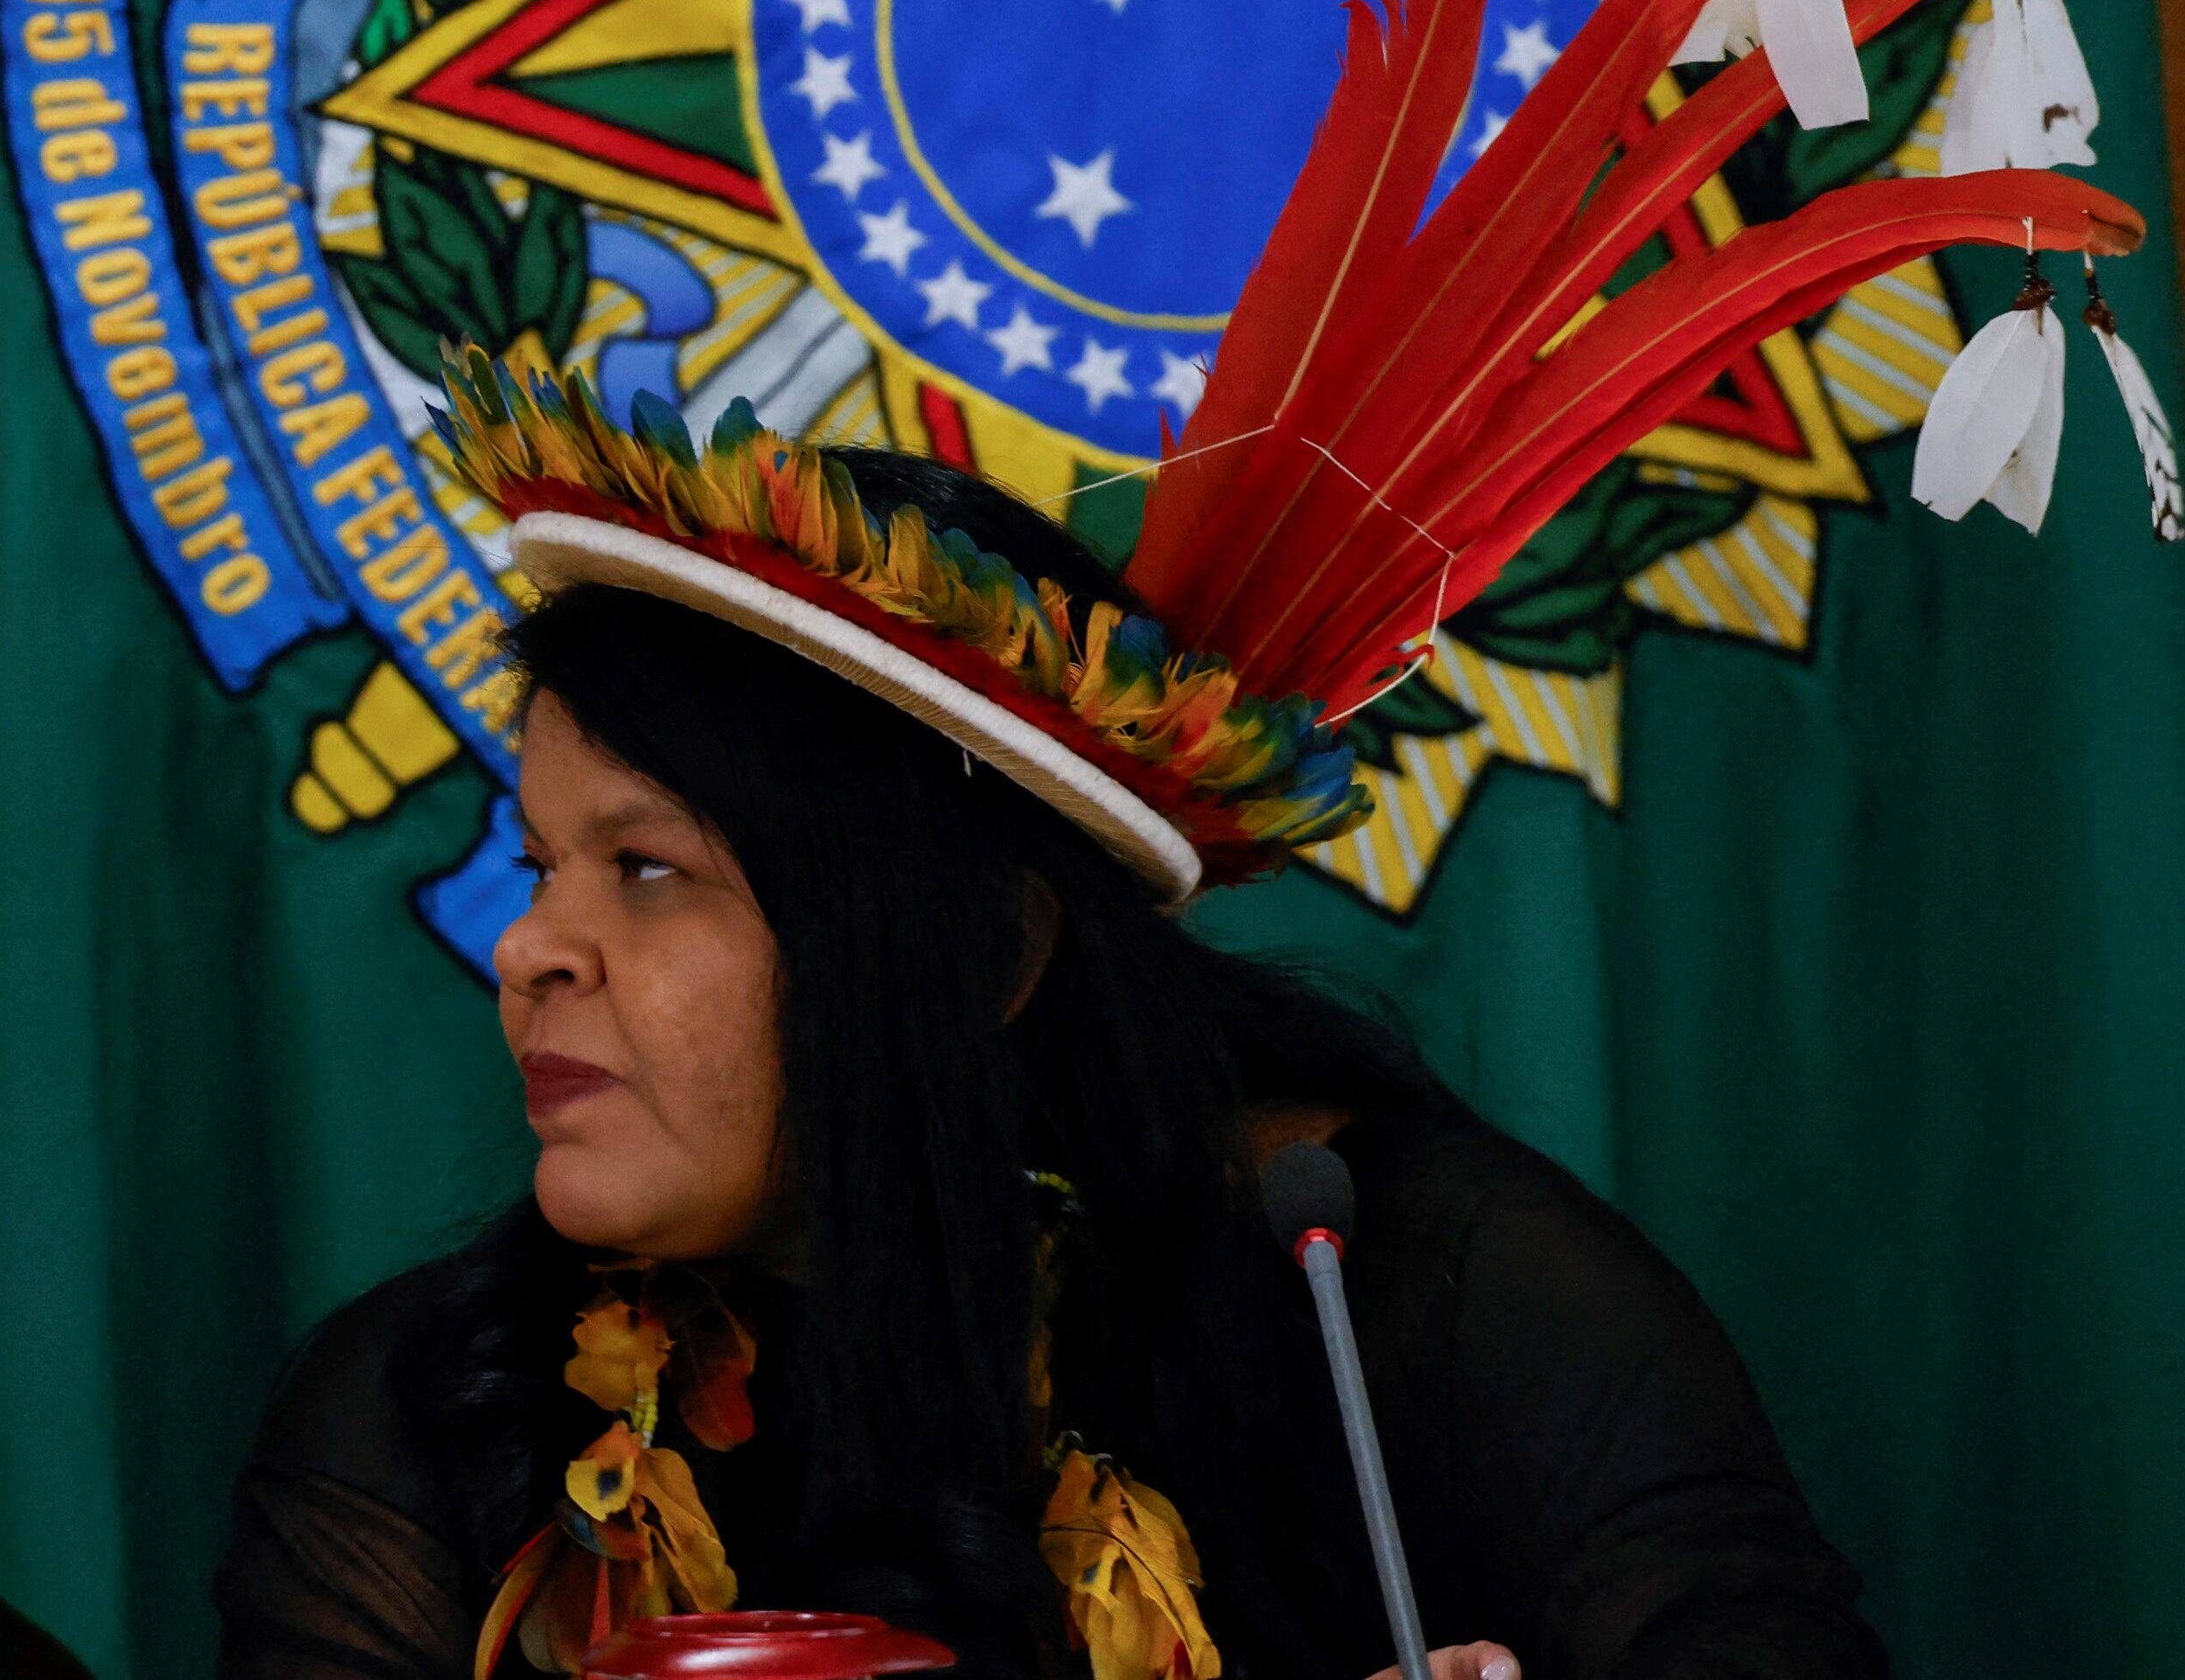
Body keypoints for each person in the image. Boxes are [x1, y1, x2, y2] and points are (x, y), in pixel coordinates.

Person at [214, 427, 1884, 1680]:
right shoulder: (436, 1409)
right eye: (540, 868)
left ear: (983, 953)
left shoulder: (1405, 1291)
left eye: (647, 871)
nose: (526, 952)